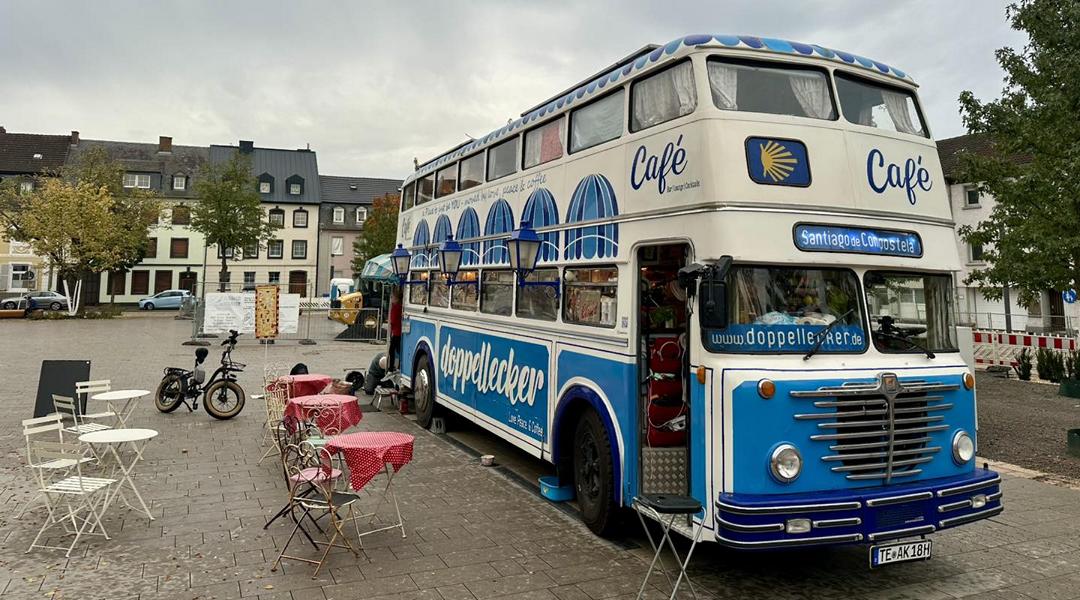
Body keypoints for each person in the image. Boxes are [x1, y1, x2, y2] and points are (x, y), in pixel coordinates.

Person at [387, 286, 403, 372]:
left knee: (392, 350)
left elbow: (392, 320)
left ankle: (391, 367)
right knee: (398, 349)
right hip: (399, 331)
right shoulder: (400, 307)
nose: (391, 299)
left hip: (396, 332)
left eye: (392, 297)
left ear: (396, 298)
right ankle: (399, 365)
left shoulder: (395, 307)